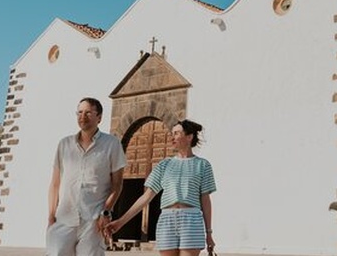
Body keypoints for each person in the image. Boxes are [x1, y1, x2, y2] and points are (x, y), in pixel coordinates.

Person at [106, 119, 216, 256]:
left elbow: (205, 200)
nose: (172, 137)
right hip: (167, 219)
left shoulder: (203, 165)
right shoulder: (164, 165)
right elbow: (146, 197)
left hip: (191, 220)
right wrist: (120, 222)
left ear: (189, 137)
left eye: (176, 133)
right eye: (172, 133)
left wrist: (209, 233)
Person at [47, 97, 126, 256]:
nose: (83, 116)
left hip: (93, 221)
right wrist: (51, 217)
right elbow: (55, 184)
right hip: (63, 219)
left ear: (99, 117)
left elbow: (117, 184)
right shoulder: (64, 144)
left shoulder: (112, 144)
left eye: (88, 112)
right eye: (80, 112)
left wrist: (106, 212)